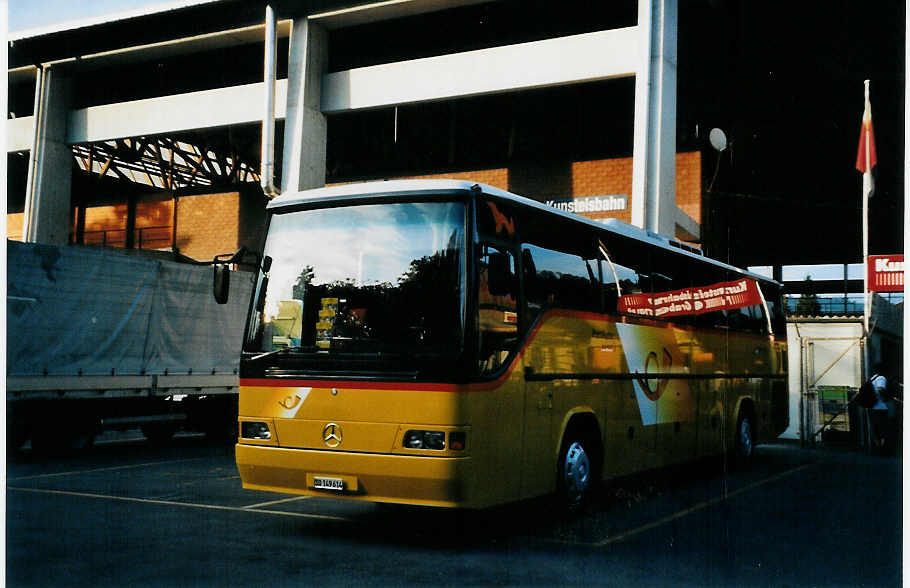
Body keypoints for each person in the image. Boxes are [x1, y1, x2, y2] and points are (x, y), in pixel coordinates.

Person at [868, 366, 890, 453]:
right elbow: (880, 389)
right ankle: (881, 449)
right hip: (881, 408)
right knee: (883, 429)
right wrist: (887, 397)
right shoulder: (881, 378)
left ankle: (876, 448)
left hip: (872, 408)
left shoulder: (872, 379)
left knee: (874, 429)